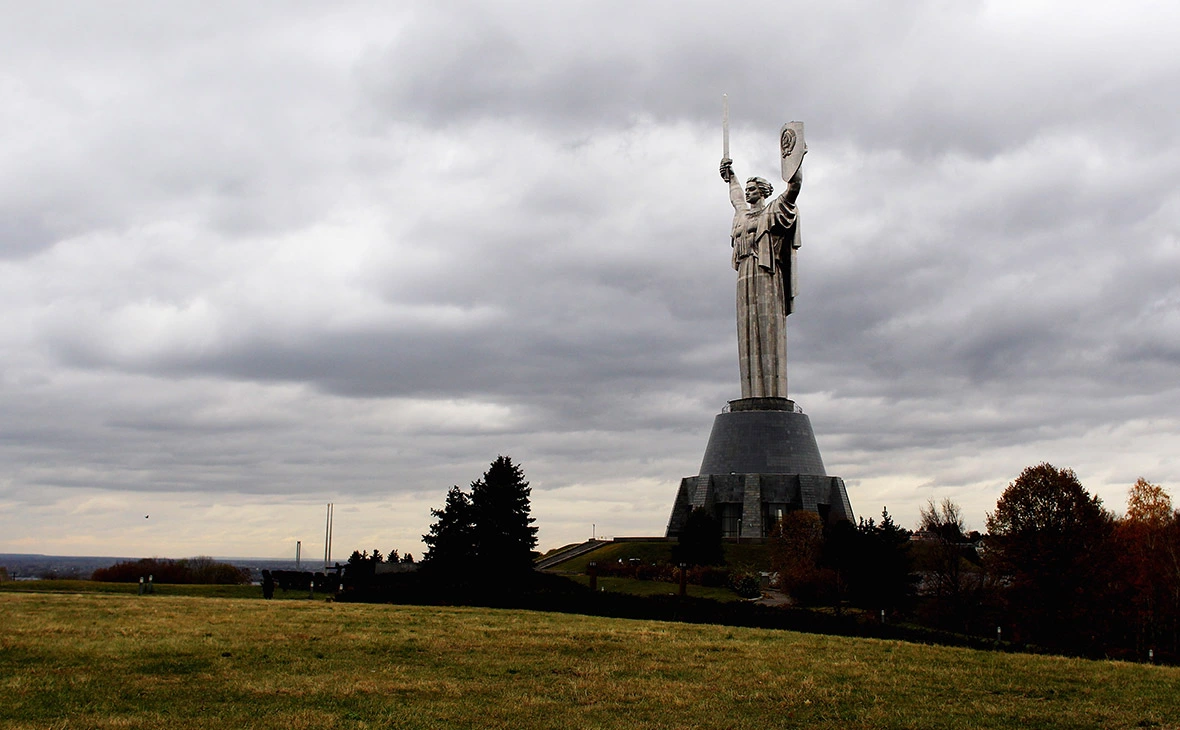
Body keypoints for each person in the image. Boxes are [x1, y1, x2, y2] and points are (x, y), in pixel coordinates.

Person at [719, 157, 802, 399]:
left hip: (766, 273)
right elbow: (734, 197)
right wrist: (730, 176)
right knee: (747, 330)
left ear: (763, 191)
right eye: (747, 189)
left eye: (752, 189)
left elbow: (794, 189)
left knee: (768, 329)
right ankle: (751, 394)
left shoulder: (773, 211)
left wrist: (795, 162)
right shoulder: (742, 216)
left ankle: (772, 394)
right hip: (745, 275)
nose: (748, 193)